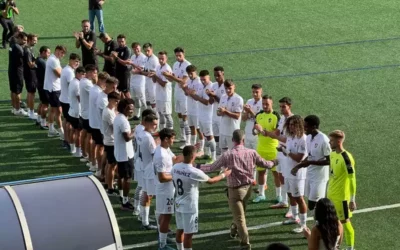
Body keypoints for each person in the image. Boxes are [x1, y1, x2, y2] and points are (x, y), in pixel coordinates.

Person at [199, 129, 276, 250]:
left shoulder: (228, 155)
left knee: (240, 218)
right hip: (248, 189)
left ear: (232, 140)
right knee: (240, 213)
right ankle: (234, 230)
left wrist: (195, 166)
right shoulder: (251, 152)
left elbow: (211, 167)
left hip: (235, 191)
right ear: (243, 140)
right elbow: (266, 164)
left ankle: (245, 244)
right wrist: (275, 161)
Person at [172, 145, 231, 250]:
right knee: (188, 235)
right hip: (190, 207)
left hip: (178, 202)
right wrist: (224, 174)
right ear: (192, 156)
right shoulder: (194, 172)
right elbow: (211, 181)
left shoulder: (175, 167)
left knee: (179, 230)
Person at [293, 115, 331, 212]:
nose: (304, 129)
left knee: (314, 203)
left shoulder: (324, 140)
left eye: (306, 126)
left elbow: (329, 160)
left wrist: (309, 162)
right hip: (309, 174)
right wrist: (302, 163)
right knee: (312, 205)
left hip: (319, 178)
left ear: (314, 127)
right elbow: (310, 154)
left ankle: (322, 223)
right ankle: (319, 224)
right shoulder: (309, 137)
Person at [326, 130, 356, 250]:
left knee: (345, 222)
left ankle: (350, 248)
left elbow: (352, 179)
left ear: (338, 141)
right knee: (332, 221)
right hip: (331, 194)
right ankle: (335, 245)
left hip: (342, 197)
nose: (329, 142)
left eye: (331, 140)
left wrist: (352, 199)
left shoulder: (346, 158)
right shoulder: (333, 154)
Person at [154, 128, 183, 250]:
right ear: (166, 139)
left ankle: (162, 238)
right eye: (172, 138)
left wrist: (192, 153)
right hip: (164, 190)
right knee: (166, 216)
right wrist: (176, 176)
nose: (174, 140)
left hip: (168, 189)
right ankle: (163, 244)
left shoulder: (165, 149)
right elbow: (162, 177)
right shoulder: (161, 155)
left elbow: (175, 159)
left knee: (164, 214)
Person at [280, 115, 308, 233]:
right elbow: (289, 153)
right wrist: (282, 150)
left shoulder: (303, 139)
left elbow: (299, 158)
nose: (291, 127)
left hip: (297, 174)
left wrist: (287, 152)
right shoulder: (291, 137)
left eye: (293, 125)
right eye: (290, 124)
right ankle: (294, 216)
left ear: (299, 125)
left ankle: (303, 224)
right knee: (290, 194)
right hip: (287, 171)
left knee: (299, 198)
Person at [252, 95, 280, 203]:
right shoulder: (259, 115)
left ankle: (278, 195)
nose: (264, 106)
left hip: (273, 149)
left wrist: (262, 130)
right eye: (263, 104)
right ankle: (261, 194)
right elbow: (253, 132)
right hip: (261, 149)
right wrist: (256, 130)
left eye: (267, 104)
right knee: (261, 172)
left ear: (272, 103)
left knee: (276, 173)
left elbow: (276, 133)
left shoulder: (276, 116)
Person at [269, 97, 293, 212]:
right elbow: (278, 132)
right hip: (280, 151)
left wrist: (274, 136)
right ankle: (284, 201)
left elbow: (290, 139)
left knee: (288, 178)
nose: (281, 109)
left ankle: (293, 208)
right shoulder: (282, 118)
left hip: (288, 153)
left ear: (289, 106)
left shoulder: (294, 120)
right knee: (280, 176)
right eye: (280, 106)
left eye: (284, 106)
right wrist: (265, 132)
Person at [162, 47, 190, 144]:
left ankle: (188, 140)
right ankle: (182, 136)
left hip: (184, 94)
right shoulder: (175, 64)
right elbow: (171, 79)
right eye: (176, 56)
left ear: (184, 54)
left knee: (185, 115)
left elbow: (183, 81)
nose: (178, 57)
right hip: (177, 92)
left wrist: (170, 76)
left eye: (180, 55)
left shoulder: (188, 65)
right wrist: (167, 76)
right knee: (179, 114)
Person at [132, 109, 157, 217]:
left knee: (141, 187)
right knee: (144, 189)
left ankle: (136, 207)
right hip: (145, 164)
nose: (155, 126)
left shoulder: (138, 129)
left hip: (138, 160)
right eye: (153, 123)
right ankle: (138, 210)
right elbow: (153, 153)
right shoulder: (147, 136)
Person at [188, 69, 217, 161]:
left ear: (209, 77)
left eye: (204, 79)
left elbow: (206, 102)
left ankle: (213, 157)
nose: (203, 81)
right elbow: (197, 97)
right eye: (201, 79)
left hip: (208, 117)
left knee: (210, 136)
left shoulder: (211, 87)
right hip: (201, 115)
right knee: (204, 135)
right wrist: (194, 95)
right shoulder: (201, 86)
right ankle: (207, 153)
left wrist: (195, 95)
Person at [137, 114, 159, 230]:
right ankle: (145, 222)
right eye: (153, 124)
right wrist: (158, 142)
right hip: (149, 169)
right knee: (149, 195)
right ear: (147, 123)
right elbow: (155, 154)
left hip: (142, 165)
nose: (155, 126)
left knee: (145, 192)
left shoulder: (141, 132)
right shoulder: (148, 138)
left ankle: (142, 216)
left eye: (156, 124)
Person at [113, 98, 135, 210]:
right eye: (129, 109)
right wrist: (134, 132)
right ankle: (125, 202)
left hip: (119, 152)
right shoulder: (123, 121)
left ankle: (122, 196)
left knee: (121, 176)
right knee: (127, 178)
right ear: (123, 108)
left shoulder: (118, 117)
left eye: (132, 108)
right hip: (125, 154)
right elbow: (127, 138)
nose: (132, 111)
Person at [43, 45, 67, 138]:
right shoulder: (53, 60)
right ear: (57, 50)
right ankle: (61, 131)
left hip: (52, 88)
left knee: (53, 109)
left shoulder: (54, 59)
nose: (63, 55)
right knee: (58, 111)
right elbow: (59, 74)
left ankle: (51, 129)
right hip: (54, 89)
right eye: (62, 53)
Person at [97, 76, 118, 178]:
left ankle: (102, 173)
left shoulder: (107, 96)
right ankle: (103, 174)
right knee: (110, 159)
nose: (115, 90)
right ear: (107, 85)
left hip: (106, 130)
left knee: (106, 154)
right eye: (113, 87)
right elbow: (113, 116)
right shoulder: (104, 99)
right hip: (106, 131)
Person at [88, 72, 109, 173]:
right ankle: (100, 169)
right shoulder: (98, 92)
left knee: (95, 144)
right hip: (98, 123)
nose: (106, 85)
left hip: (93, 121)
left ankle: (93, 163)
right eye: (106, 82)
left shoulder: (93, 88)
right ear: (101, 80)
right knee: (100, 147)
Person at [60, 53, 81, 151]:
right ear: (70, 60)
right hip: (68, 101)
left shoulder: (66, 69)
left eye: (78, 61)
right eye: (76, 61)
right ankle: (69, 142)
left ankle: (66, 139)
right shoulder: (70, 72)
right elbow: (71, 86)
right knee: (71, 125)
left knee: (66, 121)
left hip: (63, 99)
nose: (77, 63)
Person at [242, 84, 263, 183]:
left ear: (261, 91)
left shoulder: (264, 104)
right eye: (253, 92)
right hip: (248, 133)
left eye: (257, 92)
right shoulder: (249, 101)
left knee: (257, 158)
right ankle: (251, 178)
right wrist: (246, 112)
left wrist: (250, 111)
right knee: (248, 157)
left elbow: (260, 120)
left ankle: (262, 182)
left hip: (257, 136)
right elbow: (243, 119)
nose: (254, 94)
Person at [217, 79, 244, 154]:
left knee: (233, 153)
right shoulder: (223, 97)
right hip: (222, 130)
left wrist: (225, 111)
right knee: (223, 151)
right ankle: (224, 166)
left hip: (232, 131)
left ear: (234, 87)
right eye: (226, 88)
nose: (228, 90)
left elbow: (237, 116)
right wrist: (220, 112)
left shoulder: (238, 99)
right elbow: (218, 112)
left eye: (230, 88)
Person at [102, 91, 120, 196]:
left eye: (117, 101)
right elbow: (115, 127)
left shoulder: (111, 110)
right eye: (115, 101)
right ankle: (110, 188)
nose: (117, 103)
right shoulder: (108, 112)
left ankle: (109, 183)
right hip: (111, 142)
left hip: (110, 140)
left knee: (111, 164)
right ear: (109, 100)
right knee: (111, 165)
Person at [79, 64, 97, 164]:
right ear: (89, 72)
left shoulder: (83, 81)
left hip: (84, 112)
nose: (95, 74)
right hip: (89, 114)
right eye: (94, 73)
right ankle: (90, 159)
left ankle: (85, 154)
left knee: (85, 134)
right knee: (90, 137)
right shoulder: (87, 84)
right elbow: (97, 95)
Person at [151, 50, 173, 130]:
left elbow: (164, 83)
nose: (160, 60)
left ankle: (170, 132)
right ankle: (162, 131)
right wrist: (153, 75)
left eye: (162, 58)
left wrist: (155, 76)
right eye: (159, 58)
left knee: (167, 114)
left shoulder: (167, 68)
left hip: (165, 96)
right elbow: (154, 81)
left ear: (166, 58)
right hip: (158, 94)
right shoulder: (157, 66)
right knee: (160, 114)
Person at [184, 65, 204, 150]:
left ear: (195, 72)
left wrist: (188, 91)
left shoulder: (199, 81)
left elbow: (195, 93)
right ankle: (193, 145)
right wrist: (188, 91)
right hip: (189, 107)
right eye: (189, 74)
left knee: (199, 129)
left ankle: (202, 148)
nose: (190, 75)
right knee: (191, 127)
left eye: (191, 73)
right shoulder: (188, 80)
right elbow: (187, 93)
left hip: (196, 109)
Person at [67, 66, 86, 158]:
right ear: (77, 73)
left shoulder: (73, 82)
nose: (84, 76)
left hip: (72, 111)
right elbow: (80, 99)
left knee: (74, 131)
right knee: (79, 133)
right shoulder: (77, 84)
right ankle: (78, 151)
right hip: (77, 112)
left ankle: (72, 148)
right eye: (82, 74)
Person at [208, 66, 226, 156]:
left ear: (223, 73)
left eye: (218, 75)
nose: (216, 77)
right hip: (214, 115)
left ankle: (223, 158)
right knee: (216, 138)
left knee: (222, 138)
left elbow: (223, 103)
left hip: (222, 117)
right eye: (215, 75)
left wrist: (214, 95)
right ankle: (218, 158)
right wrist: (210, 96)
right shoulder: (213, 85)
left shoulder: (227, 86)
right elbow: (211, 102)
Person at [8, 31, 27, 116]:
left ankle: (14, 108)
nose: (25, 42)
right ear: (19, 38)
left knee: (13, 90)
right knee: (18, 92)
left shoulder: (13, 45)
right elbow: (24, 60)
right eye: (24, 40)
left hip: (11, 70)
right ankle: (18, 109)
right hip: (17, 72)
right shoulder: (18, 48)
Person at [23, 33, 38, 120]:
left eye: (36, 40)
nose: (36, 42)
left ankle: (29, 111)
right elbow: (30, 65)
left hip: (29, 74)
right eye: (34, 40)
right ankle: (31, 112)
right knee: (31, 93)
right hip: (30, 74)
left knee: (30, 93)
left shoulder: (29, 49)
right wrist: (38, 59)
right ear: (29, 40)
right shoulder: (28, 50)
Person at [129, 42, 146, 119]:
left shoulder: (143, 57)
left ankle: (146, 114)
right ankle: (137, 115)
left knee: (142, 98)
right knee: (135, 98)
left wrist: (134, 71)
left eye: (137, 48)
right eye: (135, 48)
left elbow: (143, 69)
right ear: (133, 49)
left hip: (140, 82)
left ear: (140, 48)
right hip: (132, 81)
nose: (136, 50)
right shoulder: (132, 56)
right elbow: (130, 67)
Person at [35, 46, 51, 129]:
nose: (49, 54)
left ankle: (38, 120)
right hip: (44, 86)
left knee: (42, 102)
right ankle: (43, 123)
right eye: (48, 52)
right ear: (43, 52)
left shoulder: (38, 60)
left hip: (40, 84)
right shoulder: (42, 62)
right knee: (45, 104)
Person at [111, 34, 131, 98]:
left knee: (126, 91)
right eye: (119, 42)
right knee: (119, 90)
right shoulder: (117, 50)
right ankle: (123, 106)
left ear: (125, 41)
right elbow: (113, 62)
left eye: (122, 41)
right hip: (118, 72)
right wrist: (112, 57)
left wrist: (116, 57)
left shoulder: (127, 50)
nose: (121, 43)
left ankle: (131, 105)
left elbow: (125, 63)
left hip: (125, 73)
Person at [141, 43, 159, 111]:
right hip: (146, 82)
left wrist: (140, 72)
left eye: (148, 50)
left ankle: (156, 117)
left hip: (153, 84)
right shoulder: (145, 58)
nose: (147, 52)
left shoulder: (154, 59)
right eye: (145, 51)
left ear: (152, 49)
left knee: (153, 102)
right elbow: (145, 70)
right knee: (147, 101)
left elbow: (152, 73)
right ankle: (150, 115)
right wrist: (142, 71)